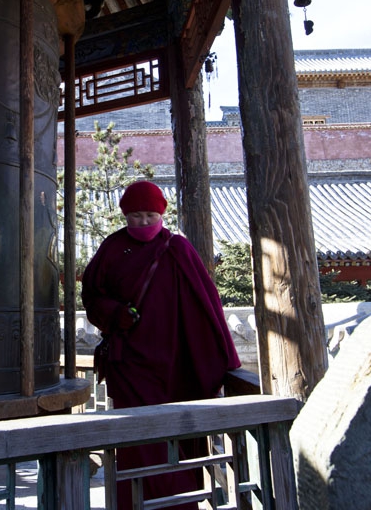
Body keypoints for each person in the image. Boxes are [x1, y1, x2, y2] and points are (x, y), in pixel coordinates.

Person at [81, 180, 240, 508]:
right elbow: (92, 296)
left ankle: (182, 503)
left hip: (175, 366)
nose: (143, 223)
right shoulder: (112, 248)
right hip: (131, 366)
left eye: (150, 215)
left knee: (175, 439)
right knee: (140, 442)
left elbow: (208, 305)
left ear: (162, 214)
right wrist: (114, 314)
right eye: (135, 216)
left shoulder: (178, 249)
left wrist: (224, 358)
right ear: (125, 214)